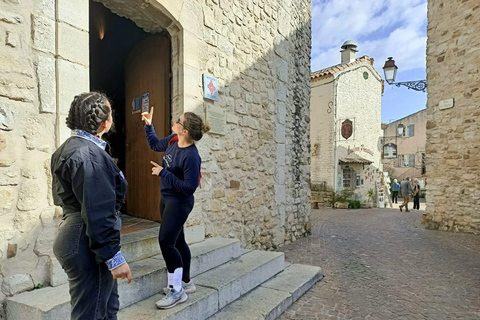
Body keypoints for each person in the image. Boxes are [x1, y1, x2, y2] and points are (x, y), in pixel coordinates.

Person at [51, 92, 133, 320]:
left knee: (107, 308)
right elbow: (97, 211)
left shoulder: (70, 148)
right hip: (86, 240)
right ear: (105, 122)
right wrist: (114, 258)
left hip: (79, 235)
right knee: (93, 313)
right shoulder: (88, 154)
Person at [141, 107, 210, 309]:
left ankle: (176, 290)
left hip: (179, 202)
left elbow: (189, 188)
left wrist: (165, 174)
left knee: (166, 242)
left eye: (178, 120)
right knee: (178, 241)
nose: (174, 120)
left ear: (185, 130)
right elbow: (154, 144)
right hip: (167, 199)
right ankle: (186, 282)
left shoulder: (191, 156)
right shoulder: (173, 140)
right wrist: (148, 125)